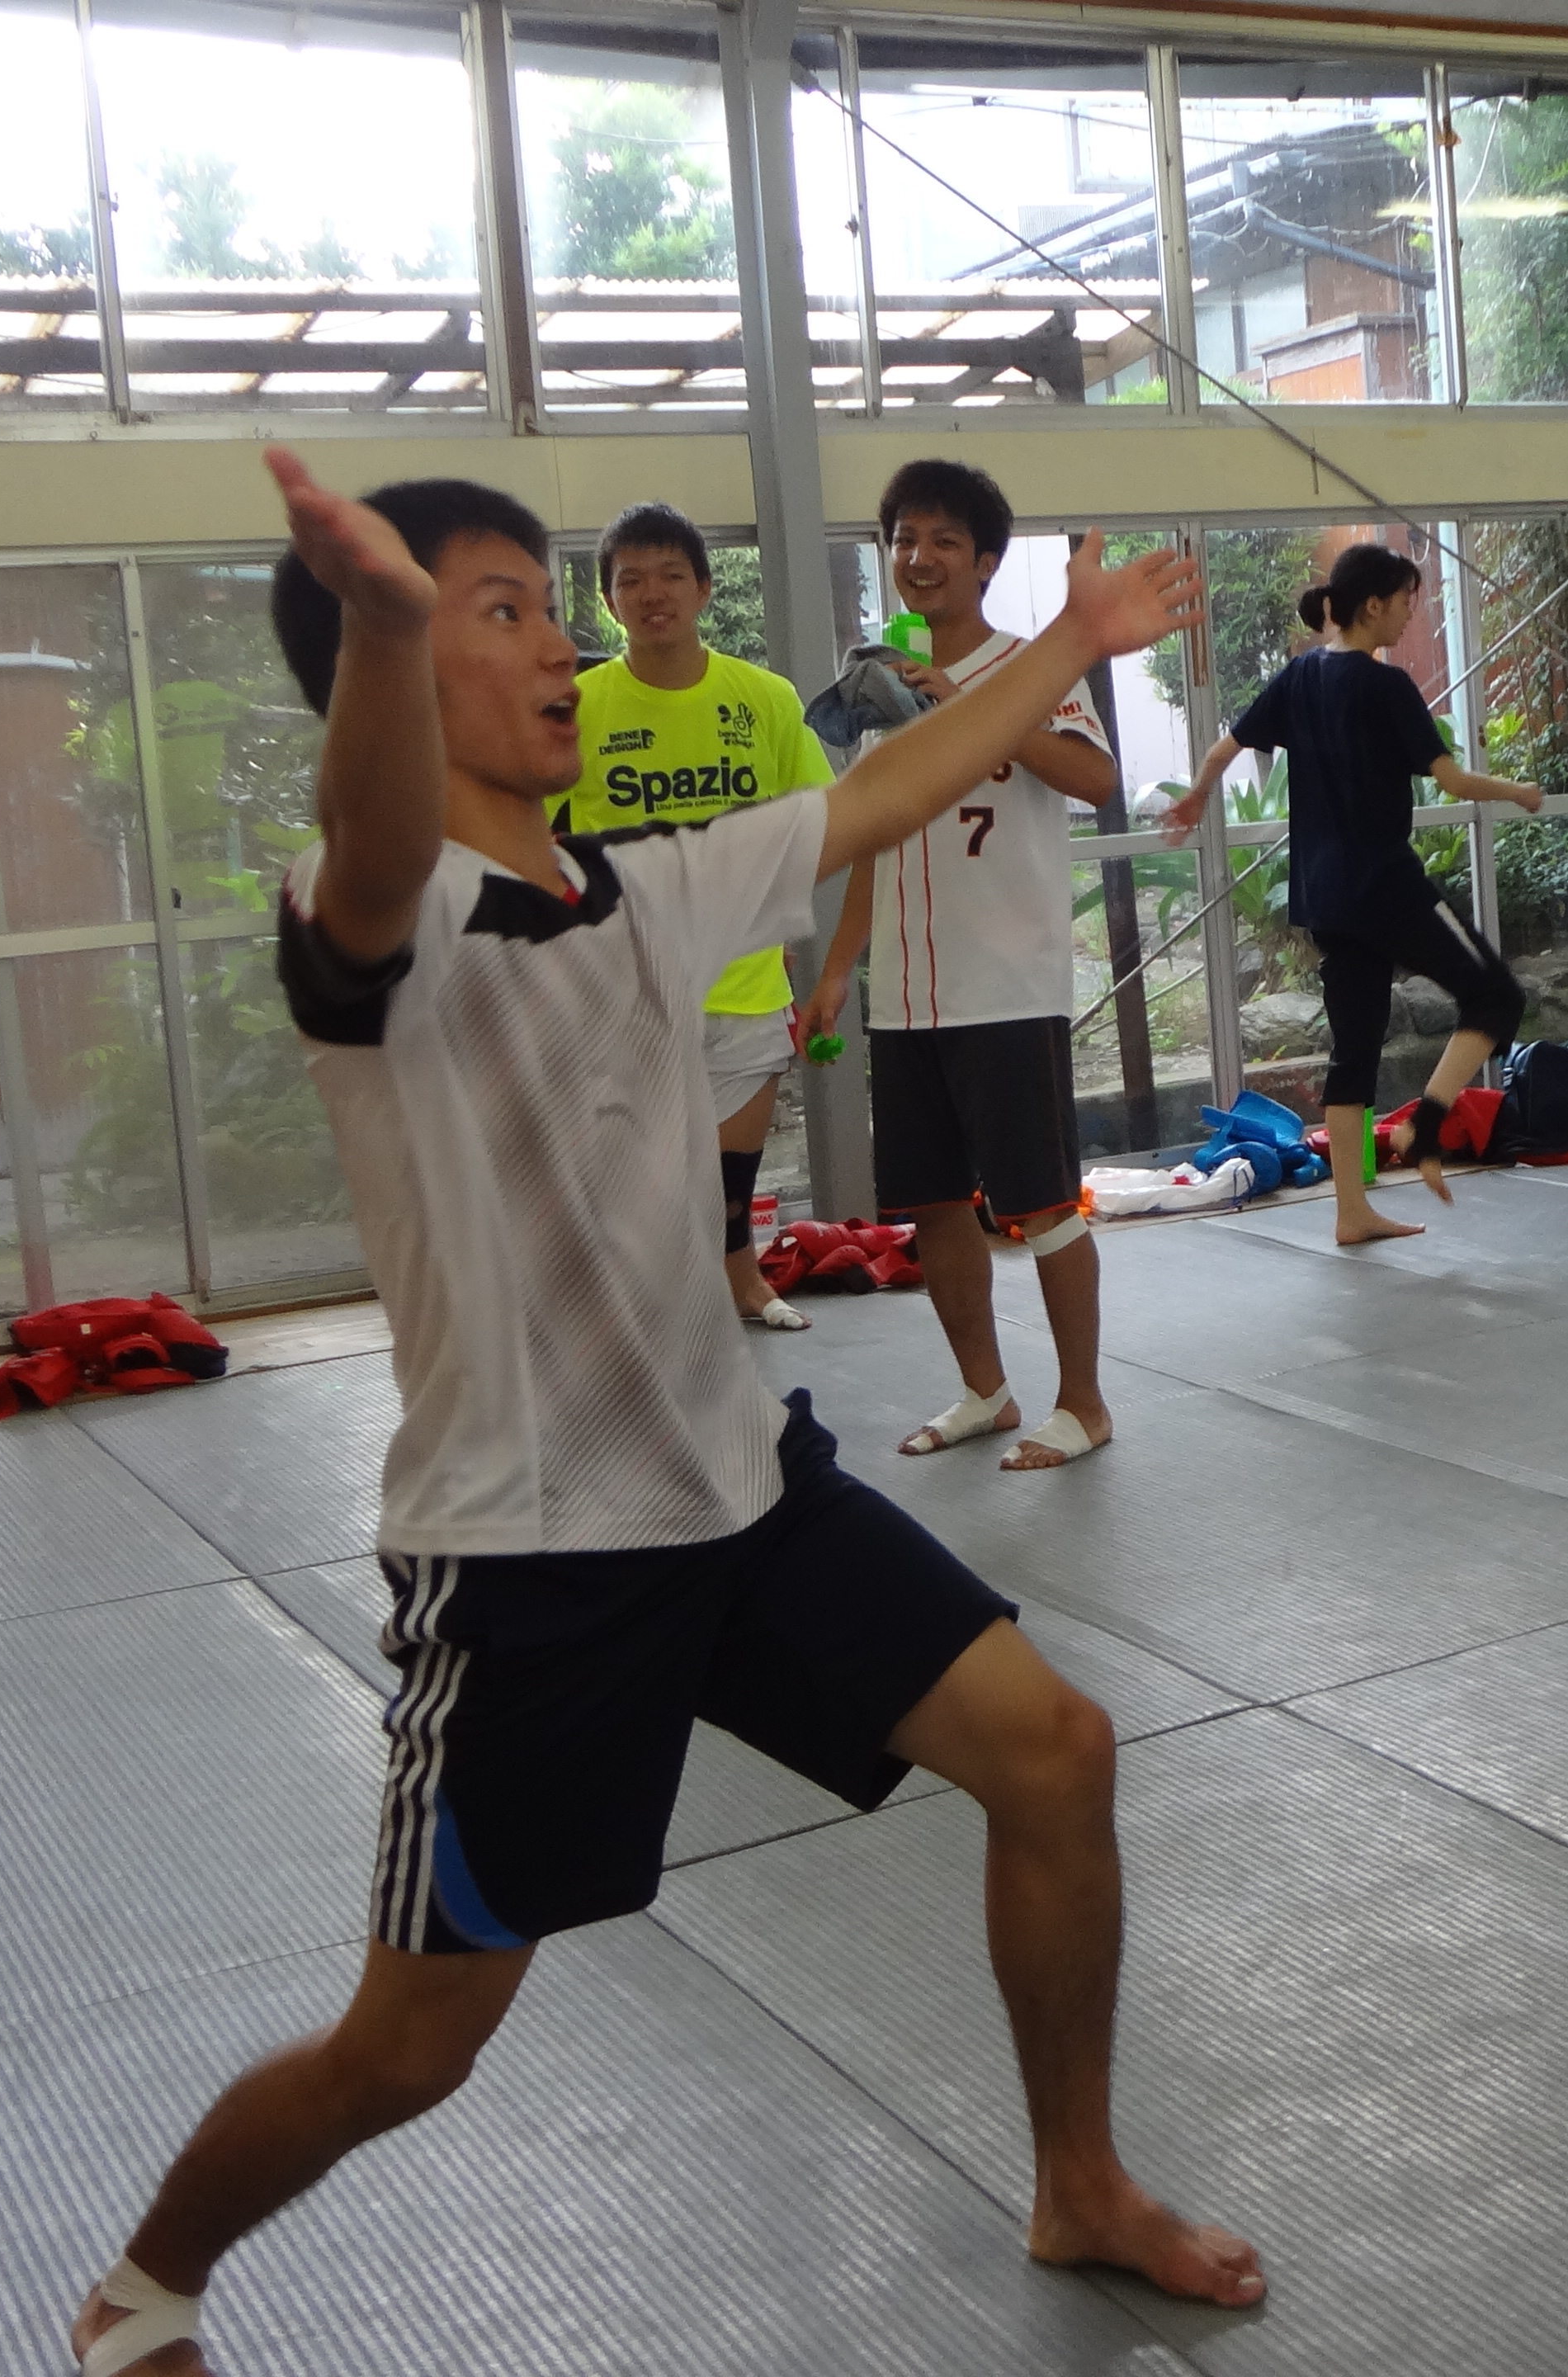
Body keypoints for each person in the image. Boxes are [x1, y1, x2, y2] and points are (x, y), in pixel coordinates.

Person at [70, 456, 1255, 2377]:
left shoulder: (641, 886)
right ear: (387, 667)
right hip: (535, 1562)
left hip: (744, 1492)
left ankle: (1080, 2179)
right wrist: (379, 622)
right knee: (412, 2048)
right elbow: (370, 838)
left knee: (1056, 1753)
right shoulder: (382, 915)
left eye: (548, 607)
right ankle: (142, 2290)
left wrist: (1072, 640)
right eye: (503, 613)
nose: (560, 647)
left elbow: (884, 788)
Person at [809, 461, 1122, 1469]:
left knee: (1041, 1205)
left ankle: (1084, 1404)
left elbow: (1097, 778)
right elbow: (873, 837)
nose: (920, 556)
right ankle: (985, 1392)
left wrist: (976, 707)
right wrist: (837, 972)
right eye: (905, 538)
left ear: (985, 562)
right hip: (906, 997)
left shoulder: (1033, 668)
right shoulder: (878, 689)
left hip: (1007, 989)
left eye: (944, 540)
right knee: (933, 1203)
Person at [1163, 544, 1541, 1245]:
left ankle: (1351, 1212)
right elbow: (1452, 780)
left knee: (1354, 1049)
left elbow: (1222, 750)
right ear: (1373, 604)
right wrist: (1517, 790)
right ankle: (1425, 1123)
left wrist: (1194, 799)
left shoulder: (1299, 676)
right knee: (1497, 996)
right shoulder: (1384, 685)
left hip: (1325, 899)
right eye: (1405, 602)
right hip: (1387, 888)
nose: (1409, 615)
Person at [555, 500, 835, 1331]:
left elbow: (819, 822)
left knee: (731, 1167)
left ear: (706, 588)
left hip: (745, 975)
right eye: (631, 580)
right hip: (625, 975)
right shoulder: (574, 705)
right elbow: (525, 833)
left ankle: (742, 1280)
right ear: (609, 599)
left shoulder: (767, 699)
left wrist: (780, 922)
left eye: (671, 575)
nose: (652, 594)